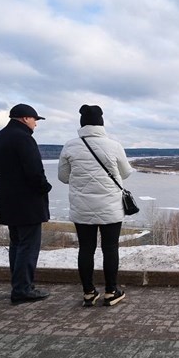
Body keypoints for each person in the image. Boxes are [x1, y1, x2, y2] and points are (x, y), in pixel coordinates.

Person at [58, 105, 133, 307]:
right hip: (110, 207)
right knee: (110, 249)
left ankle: (89, 292)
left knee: (86, 249)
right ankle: (111, 291)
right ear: (101, 123)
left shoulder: (70, 146)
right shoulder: (114, 145)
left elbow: (63, 177)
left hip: (82, 207)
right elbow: (125, 173)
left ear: (82, 124)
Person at [0, 103, 52, 304]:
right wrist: (45, 187)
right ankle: (23, 289)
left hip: (7, 199)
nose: (36, 124)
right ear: (25, 118)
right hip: (27, 203)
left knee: (17, 244)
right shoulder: (24, 139)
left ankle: (19, 286)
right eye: (35, 120)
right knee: (28, 245)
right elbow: (35, 172)